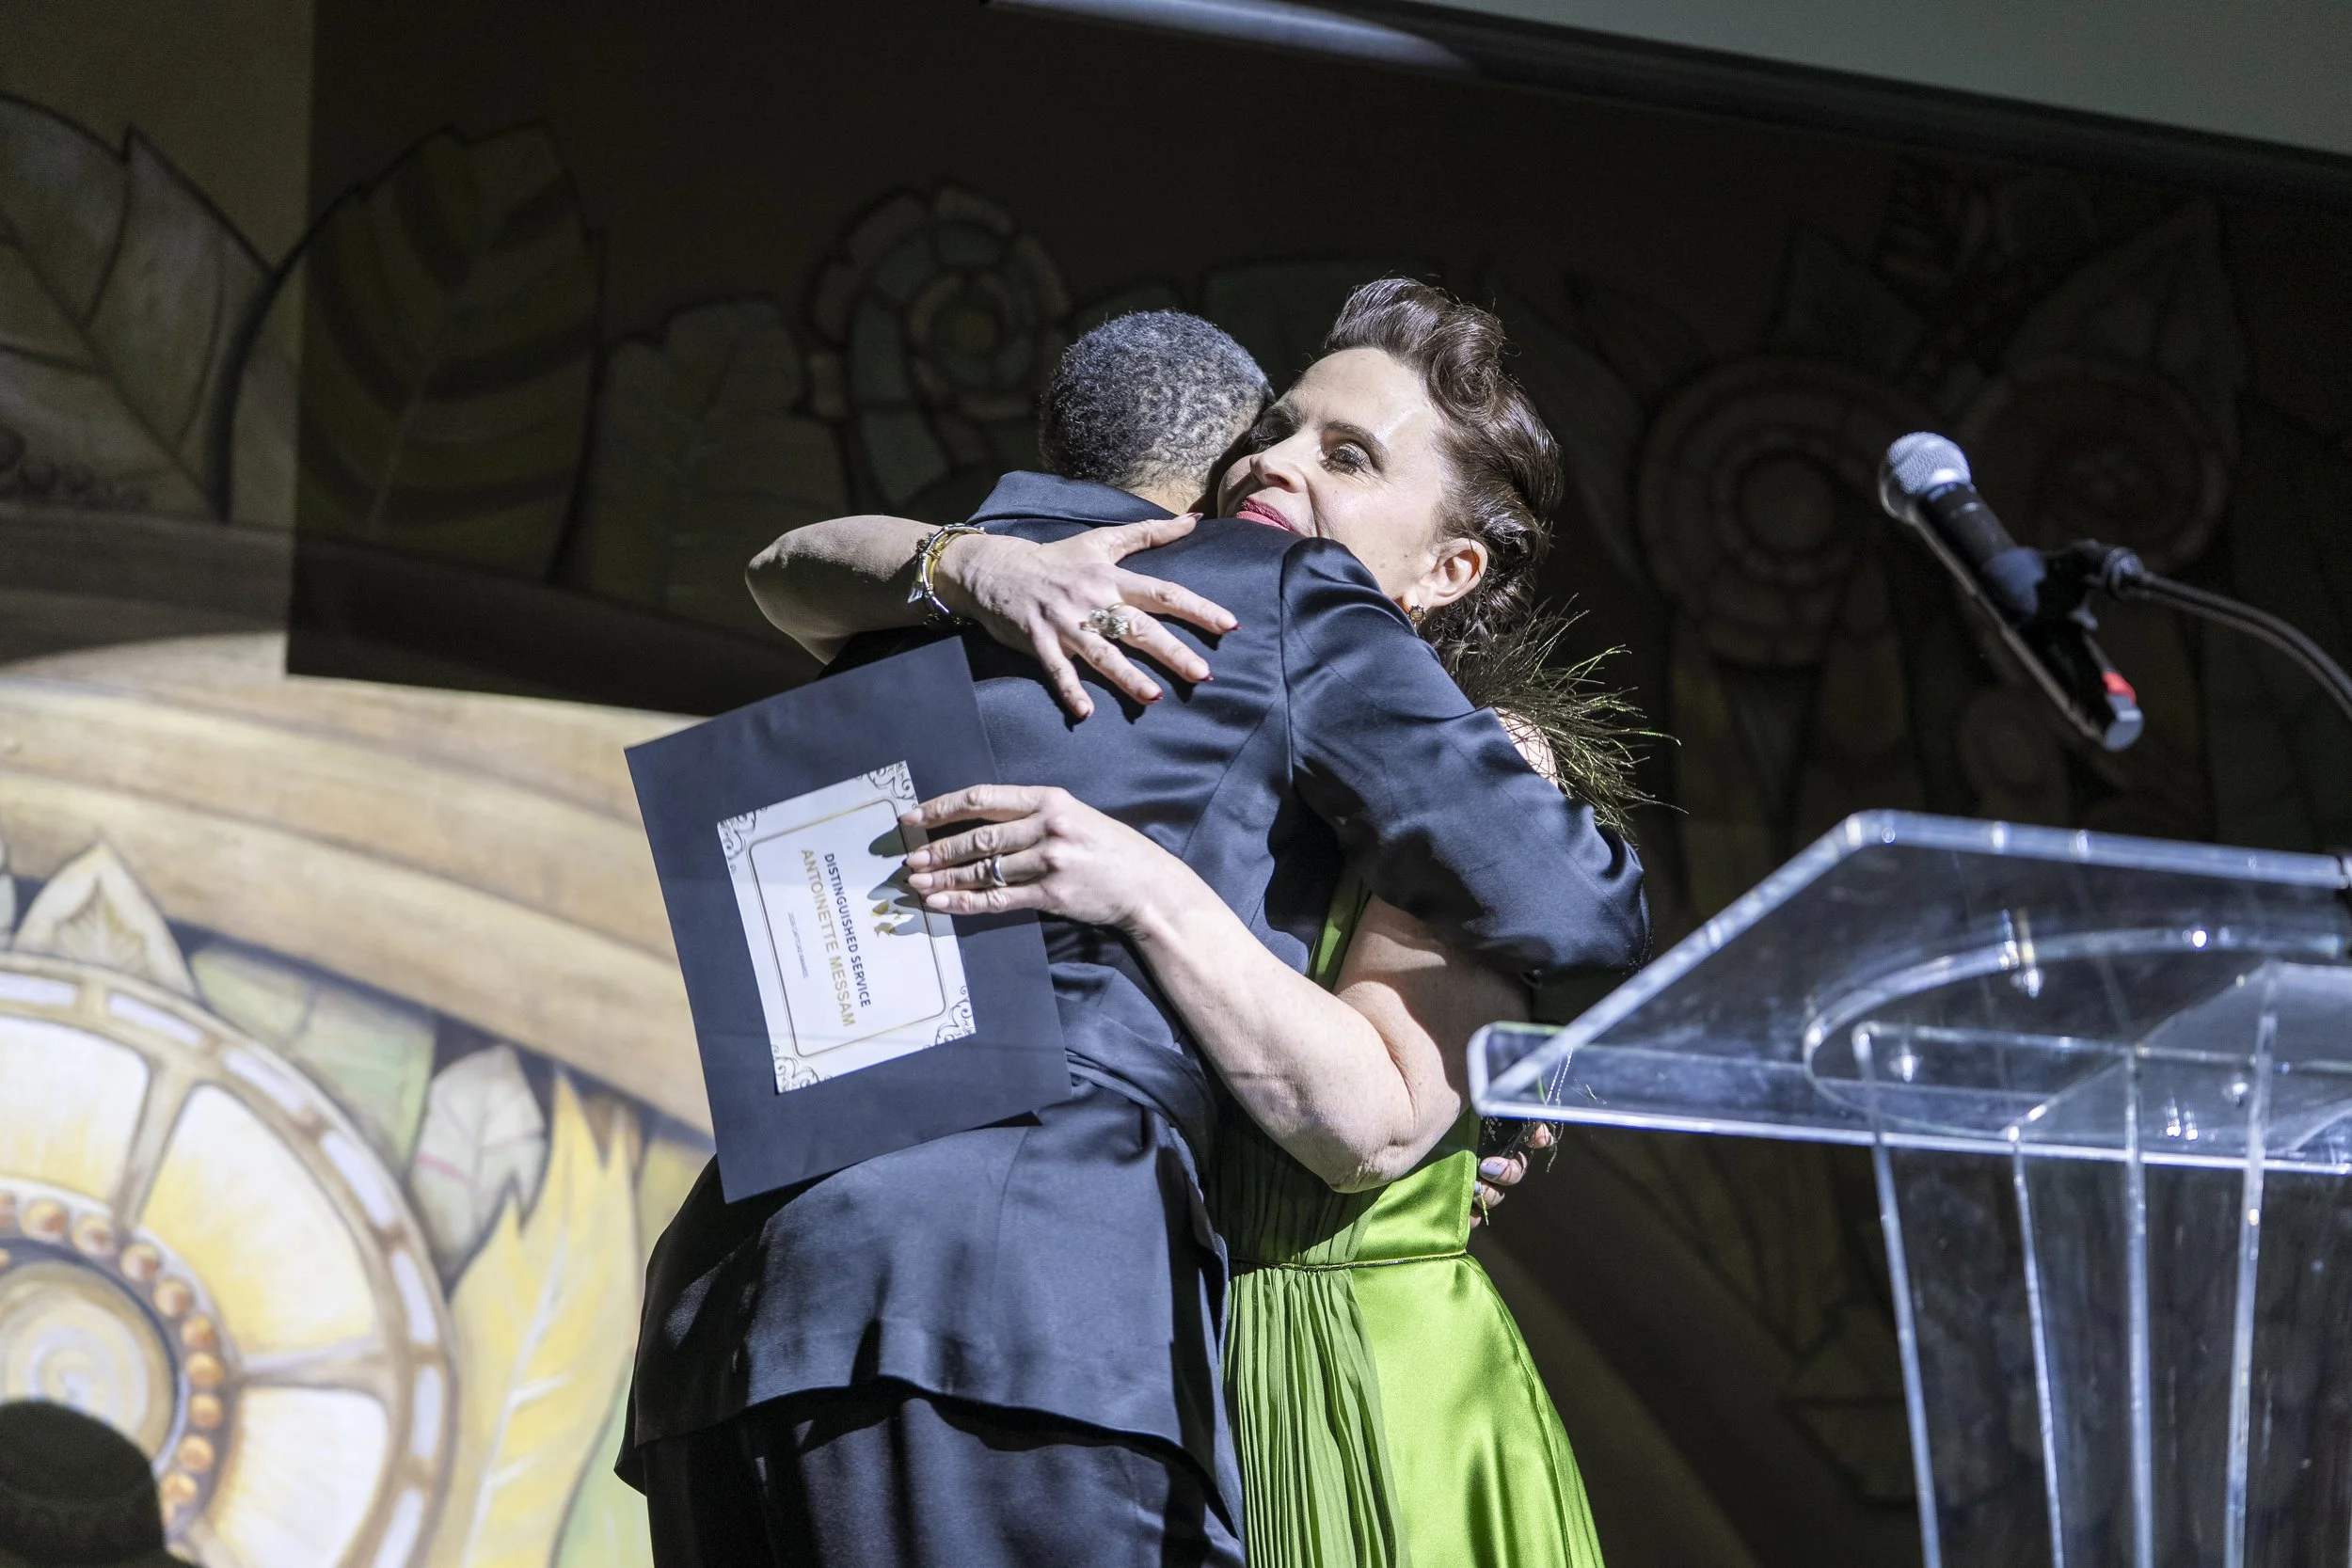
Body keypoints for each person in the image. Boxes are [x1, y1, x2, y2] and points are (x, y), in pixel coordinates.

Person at [623, 293, 1644, 1567]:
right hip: (1022, 1304)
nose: (1275, 463)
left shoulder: (958, 589)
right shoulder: (1271, 595)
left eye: (1346, 454)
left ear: (1453, 570)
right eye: (1274, 429)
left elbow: (786, 570)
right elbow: (1580, 901)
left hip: (727, 1320)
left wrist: (956, 561)